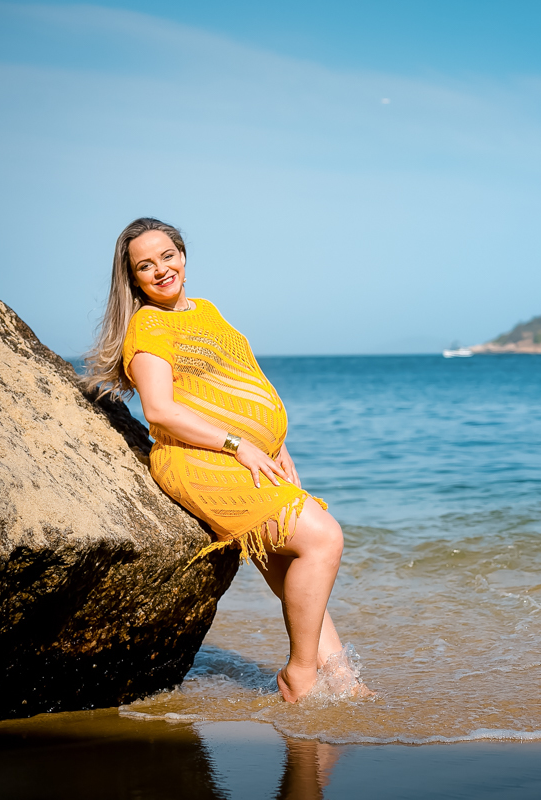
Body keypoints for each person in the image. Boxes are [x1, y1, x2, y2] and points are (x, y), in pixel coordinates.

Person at [83, 217, 358, 703]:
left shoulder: (206, 310)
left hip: (251, 455)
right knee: (323, 538)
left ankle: (341, 680)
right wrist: (241, 444)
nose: (161, 270)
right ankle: (300, 674)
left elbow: (244, 380)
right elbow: (160, 411)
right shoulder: (148, 326)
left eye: (167, 256)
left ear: (184, 256)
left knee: (291, 555)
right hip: (199, 460)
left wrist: (277, 444)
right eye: (145, 266)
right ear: (133, 279)